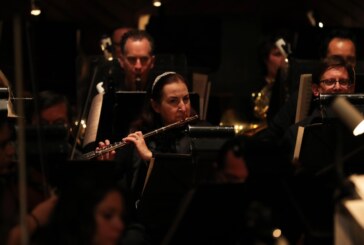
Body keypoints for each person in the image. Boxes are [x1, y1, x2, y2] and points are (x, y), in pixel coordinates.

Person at [98, 71, 200, 202]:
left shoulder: (201, 133)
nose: (183, 107)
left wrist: (150, 158)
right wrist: (107, 167)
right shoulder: (140, 135)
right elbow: (120, 190)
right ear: (156, 106)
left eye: (186, 99)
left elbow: (183, 181)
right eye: (173, 101)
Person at [254, 28, 358, 144]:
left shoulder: (353, 88)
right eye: (336, 59)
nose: (343, 65)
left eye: (350, 60)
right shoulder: (303, 95)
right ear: (323, 59)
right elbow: (270, 136)